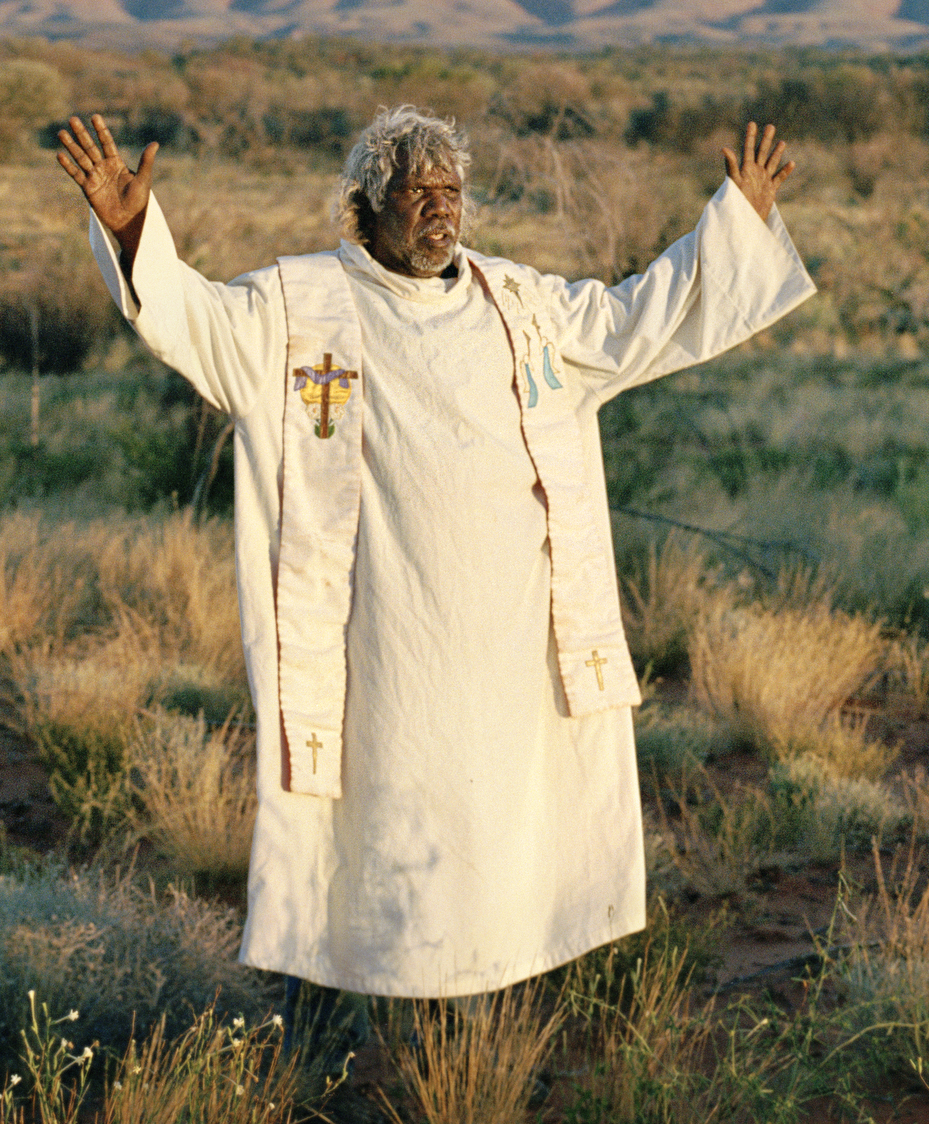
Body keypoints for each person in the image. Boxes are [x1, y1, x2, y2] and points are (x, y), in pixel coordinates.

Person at [57, 102, 814, 1002]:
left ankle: (496, 1008)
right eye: (414, 191)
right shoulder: (296, 310)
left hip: (512, 646)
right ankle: (364, 1009)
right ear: (363, 210)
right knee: (387, 836)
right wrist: (132, 224)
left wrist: (738, 223)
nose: (438, 208)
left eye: (449, 190)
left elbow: (636, 319)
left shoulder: (521, 306)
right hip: (385, 644)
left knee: (506, 837)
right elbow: (196, 324)